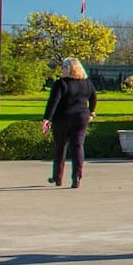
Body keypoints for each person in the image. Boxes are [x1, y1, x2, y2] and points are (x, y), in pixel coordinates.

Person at [41, 58, 97, 189]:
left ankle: (57, 177)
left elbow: (53, 102)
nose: (61, 69)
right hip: (82, 117)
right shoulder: (87, 83)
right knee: (77, 146)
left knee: (60, 146)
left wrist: (46, 119)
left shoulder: (61, 84)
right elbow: (93, 98)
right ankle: (77, 177)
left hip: (63, 117)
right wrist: (91, 112)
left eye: (63, 67)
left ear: (69, 68)